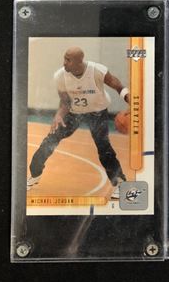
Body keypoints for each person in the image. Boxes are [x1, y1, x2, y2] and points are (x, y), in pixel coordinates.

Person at [27, 47, 129, 200]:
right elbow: (65, 102)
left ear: (79, 61)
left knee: (103, 147)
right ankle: (35, 175)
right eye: (64, 58)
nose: (64, 63)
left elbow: (118, 86)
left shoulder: (97, 70)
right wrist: (58, 115)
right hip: (74, 113)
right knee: (50, 140)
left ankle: (120, 183)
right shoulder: (60, 76)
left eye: (68, 60)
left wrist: (131, 100)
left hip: (97, 112)